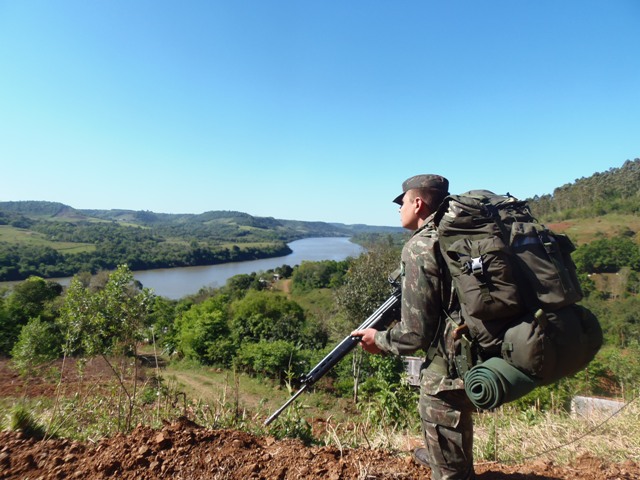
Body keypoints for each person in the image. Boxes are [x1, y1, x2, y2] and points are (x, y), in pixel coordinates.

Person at [351, 174, 476, 480]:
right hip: (472, 349)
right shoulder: (454, 237)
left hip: (449, 360)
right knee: (452, 415)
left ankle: (449, 471)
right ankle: (446, 461)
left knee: (439, 405)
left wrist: (378, 339)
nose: (399, 210)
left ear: (418, 203)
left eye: (403, 202)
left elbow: (415, 334)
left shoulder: (420, 246)